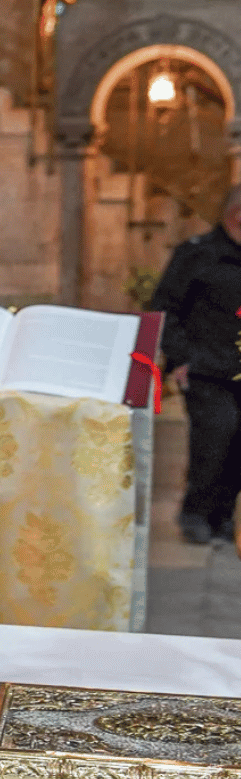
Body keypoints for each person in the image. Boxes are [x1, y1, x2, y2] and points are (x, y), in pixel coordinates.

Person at [149, 183, 241, 546]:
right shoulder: (197, 254)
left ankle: (222, 519)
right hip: (205, 367)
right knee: (217, 434)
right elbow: (165, 307)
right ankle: (195, 514)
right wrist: (180, 357)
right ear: (235, 215)